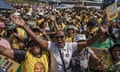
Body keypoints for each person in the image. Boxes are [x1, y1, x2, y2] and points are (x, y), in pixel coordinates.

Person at [11, 16, 106, 72]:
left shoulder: (71, 46)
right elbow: (36, 39)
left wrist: (99, 34)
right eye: (57, 37)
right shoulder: (51, 46)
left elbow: (87, 43)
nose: (59, 39)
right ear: (54, 39)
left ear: (65, 38)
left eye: (62, 37)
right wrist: (24, 26)